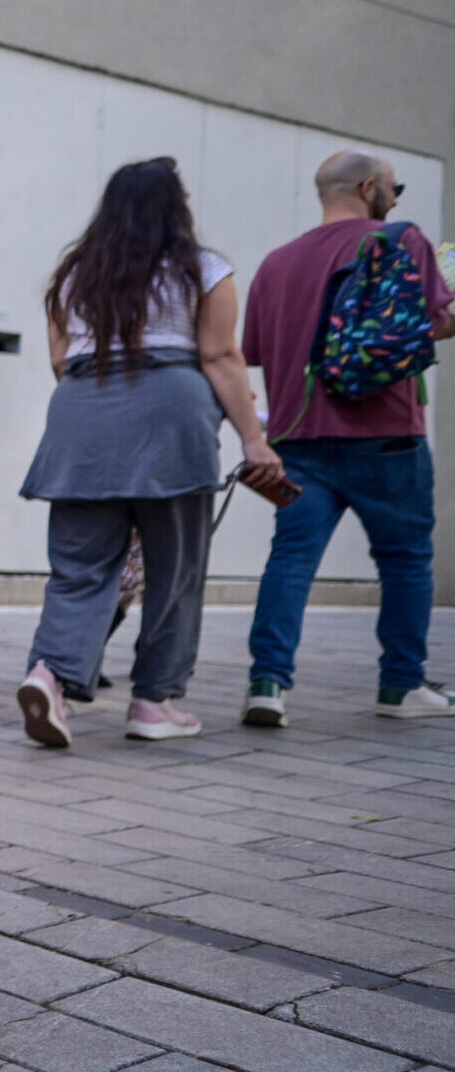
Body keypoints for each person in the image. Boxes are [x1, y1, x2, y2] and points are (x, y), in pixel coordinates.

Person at [14, 157, 284, 749]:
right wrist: (254, 439)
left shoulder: (73, 274)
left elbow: (62, 361)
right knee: (175, 567)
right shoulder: (204, 269)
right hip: (171, 416)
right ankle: (153, 701)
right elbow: (219, 357)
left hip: (84, 412)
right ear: (175, 206)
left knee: (79, 568)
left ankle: (50, 677)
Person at [241, 151, 455, 726]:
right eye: (395, 187)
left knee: (289, 560)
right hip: (386, 434)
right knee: (406, 561)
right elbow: (439, 321)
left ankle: (267, 684)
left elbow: (255, 352)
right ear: (369, 188)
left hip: (297, 439)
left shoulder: (275, 263)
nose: (398, 197)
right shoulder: (400, 242)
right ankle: (401, 686)